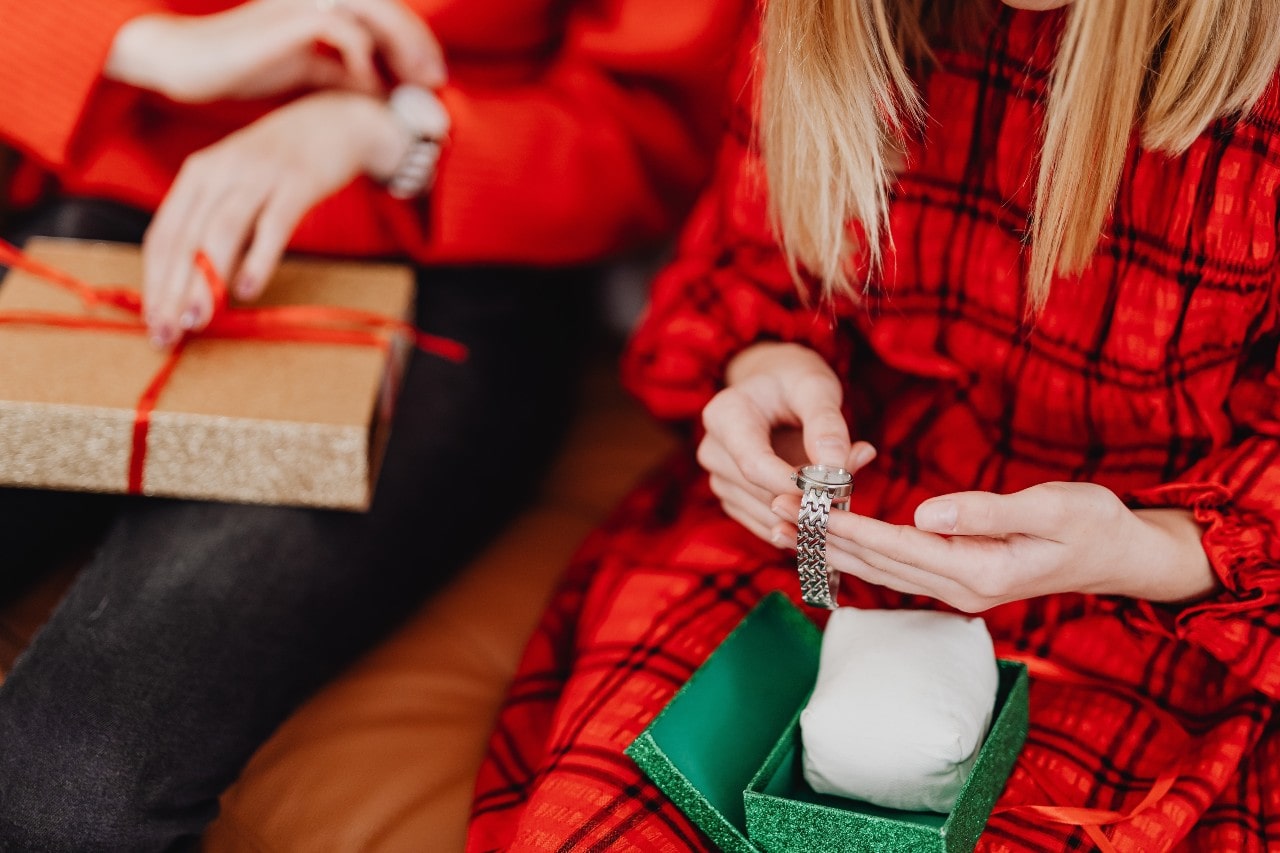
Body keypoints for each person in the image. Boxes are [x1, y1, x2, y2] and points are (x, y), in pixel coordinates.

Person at [465, 0, 1280, 850]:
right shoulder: (837, 21)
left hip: (1170, 594)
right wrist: (764, 372)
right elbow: (762, 268)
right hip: (841, 522)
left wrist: (1137, 552)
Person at [0, 0, 744, 849]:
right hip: (111, 185)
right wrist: (138, 46)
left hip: (453, 256)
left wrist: (391, 133)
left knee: (70, 781)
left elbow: (653, 126)